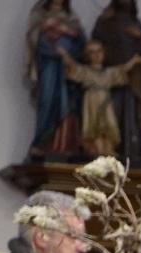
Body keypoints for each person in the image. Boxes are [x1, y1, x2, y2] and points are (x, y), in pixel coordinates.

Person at [90, 0, 141, 165]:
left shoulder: (135, 22)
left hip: (134, 80)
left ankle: (133, 151)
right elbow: (95, 47)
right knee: (112, 114)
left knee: (134, 117)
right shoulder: (105, 21)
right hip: (113, 80)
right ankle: (112, 151)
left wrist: (140, 38)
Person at [25, 0, 84, 159]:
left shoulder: (72, 18)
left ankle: (67, 145)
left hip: (66, 67)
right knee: (48, 99)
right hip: (49, 66)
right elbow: (33, 40)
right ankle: (43, 142)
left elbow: (81, 43)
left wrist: (68, 45)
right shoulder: (40, 16)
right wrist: (49, 35)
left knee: (68, 103)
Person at [62, 40, 141, 157]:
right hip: (92, 101)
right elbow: (73, 66)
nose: (97, 55)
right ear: (88, 56)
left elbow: (122, 70)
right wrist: (64, 55)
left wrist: (133, 61)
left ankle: (108, 148)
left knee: (108, 124)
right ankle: (96, 148)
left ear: (104, 53)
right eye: (92, 52)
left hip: (105, 102)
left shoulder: (108, 72)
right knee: (95, 126)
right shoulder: (86, 71)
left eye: (99, 51)